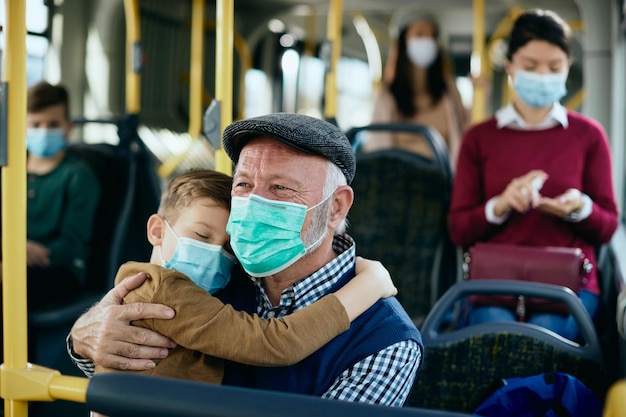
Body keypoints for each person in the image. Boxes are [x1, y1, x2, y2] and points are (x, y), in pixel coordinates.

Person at [68, 112, 423, 407]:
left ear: (336, 207)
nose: (255, 203)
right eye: (244, 185)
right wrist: (84, 338)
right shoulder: (214, 273)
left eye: (281, 188)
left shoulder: (386, 341)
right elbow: (149, 362)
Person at [94, 168, 398, 383]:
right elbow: (274, 343)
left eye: (229, 246)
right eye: (200, 235)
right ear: (157, 230)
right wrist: (368, 285)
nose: (215, 254)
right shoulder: (166, 290)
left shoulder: (217, 283)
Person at [448, 9, 619, 340]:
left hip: (570, 280)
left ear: (567, 68)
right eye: (530, 67)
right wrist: (499, 206)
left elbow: (608, 225)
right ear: (509, 66)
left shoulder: (589, 136)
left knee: (543, 338)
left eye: (554, 68)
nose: (543, 75)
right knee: (498, 335)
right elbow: (458, 229)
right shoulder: (479, 138)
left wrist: (579, 208)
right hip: (494, 280)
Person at [1, 81, 100, 306]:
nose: (44, 131)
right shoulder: (9, 169)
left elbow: (73, 242)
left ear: (67, 126)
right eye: (36, 124)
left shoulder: (79, 176)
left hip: (59, 268)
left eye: (53, 124)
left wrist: (19, 258)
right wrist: (14, 250)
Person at [361, 10, 468, 168]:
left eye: (432, 36)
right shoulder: (388, 96)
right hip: (400, 179)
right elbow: (379, 144)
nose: (427, 41)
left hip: (441, 179)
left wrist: (482, 94)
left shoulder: (449, 90)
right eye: (419, 34)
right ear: (404, 41)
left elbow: (464, 132)